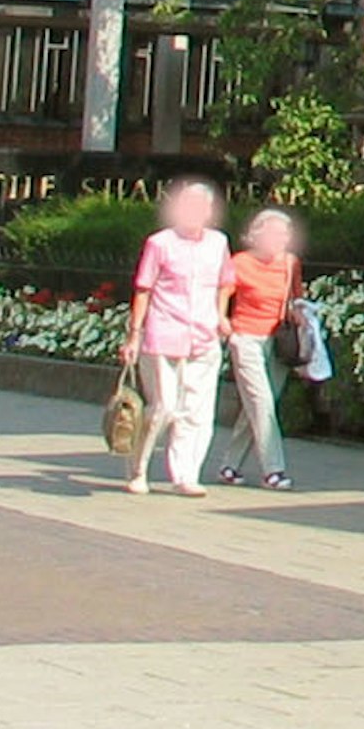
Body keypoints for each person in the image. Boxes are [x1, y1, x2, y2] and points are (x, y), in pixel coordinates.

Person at [120, 177, 230, 496]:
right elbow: (143, 289)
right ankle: (138, 468)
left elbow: (225, 281)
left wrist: (221, 315)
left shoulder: (217, 243)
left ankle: (186, 474)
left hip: (204, 335)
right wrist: (134, 335)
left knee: (196, 409)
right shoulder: (160, 243)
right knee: (163, 407)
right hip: (163, 332)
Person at [214, 205, 304, 491]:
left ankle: (229, 465)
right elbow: (223, 293)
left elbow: (296, 298)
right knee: (261, 403)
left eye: (285, 234)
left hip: (278, 342)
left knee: (259, 406)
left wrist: (298, 314)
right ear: (257, 235)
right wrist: (222, 320)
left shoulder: (290, 263)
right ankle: (273, 470)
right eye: (275, 234)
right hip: (246, 339)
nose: (281, 240)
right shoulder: (239, 262)